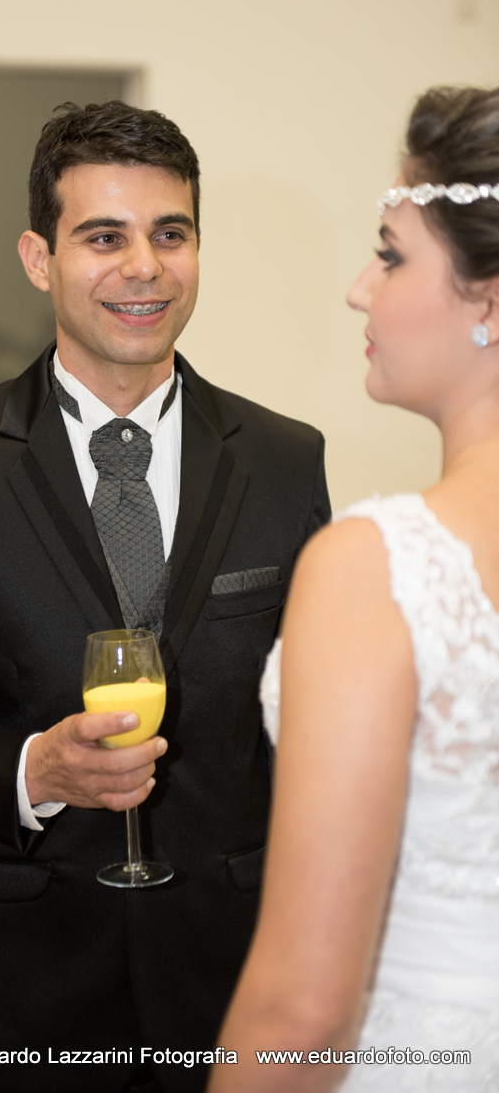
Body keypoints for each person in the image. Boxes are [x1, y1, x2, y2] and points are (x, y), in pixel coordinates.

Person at [0, 101, 330, 1093]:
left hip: (232, 991)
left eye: (170, 233)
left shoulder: (286, 460)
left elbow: (313, 720)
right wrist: (32, 770)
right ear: (37, 257)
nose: (143, 266)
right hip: (23, 999)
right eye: (104, 236)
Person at [209, 85, 499, 1092]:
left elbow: (305, 1007)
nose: (357, 290)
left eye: (388, 253)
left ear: (490, 298)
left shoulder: (378, 565)